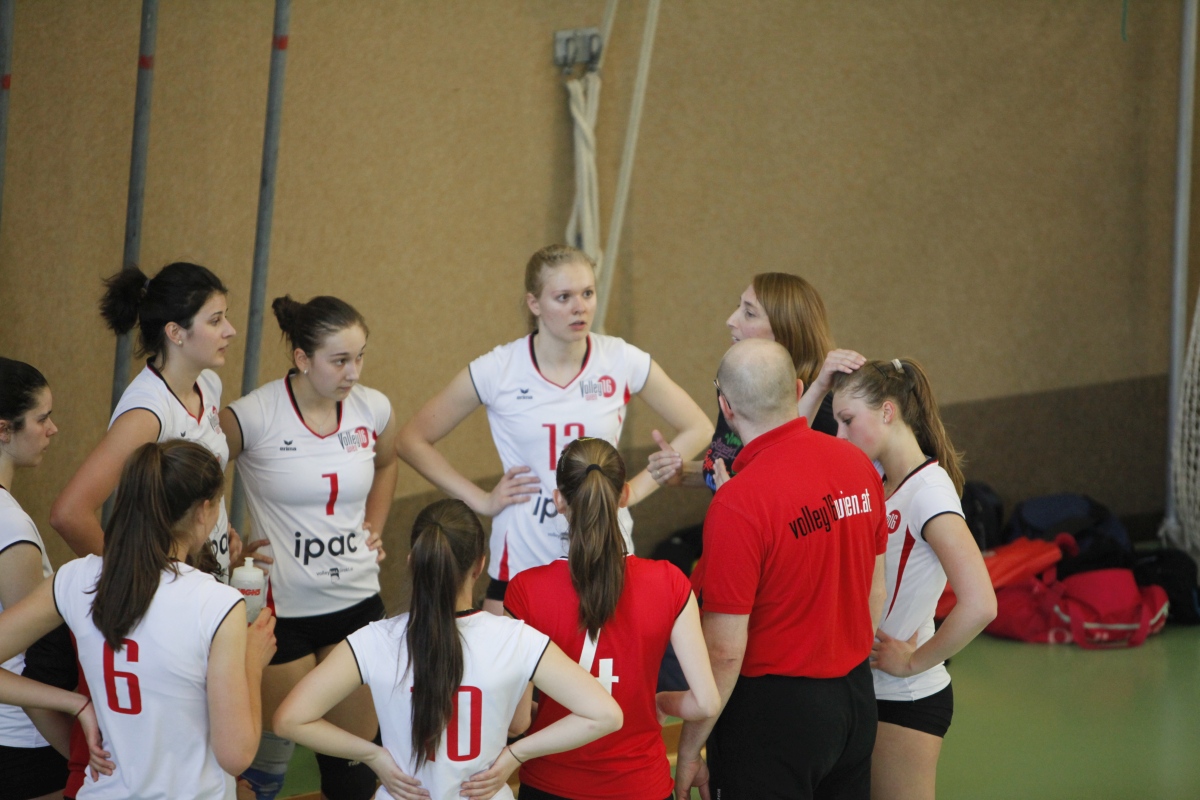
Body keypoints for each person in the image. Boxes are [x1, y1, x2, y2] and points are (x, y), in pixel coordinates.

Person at [396, 244, 713, 615]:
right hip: (522, 558)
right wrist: (481, 500)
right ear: (534, 303)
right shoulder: (498, 369)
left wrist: (634, 490)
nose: (580, 307)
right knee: (517, 653)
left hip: (603, 551)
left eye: (587, 293)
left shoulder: (621, 359)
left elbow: (698, 427)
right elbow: (412, 440)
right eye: (564, 297)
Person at [273, 498, 623, 800]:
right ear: (479, 565)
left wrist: (373, 755)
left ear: (412, 562)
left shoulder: (375, 640)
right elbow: (606, 714)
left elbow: (289, 720)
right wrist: (515, 755)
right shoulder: (516, 639)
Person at [0, 440, 276, 799]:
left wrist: (74, 703)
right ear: (204, 511)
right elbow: (235, 755)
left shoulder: (75, 578)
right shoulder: (217, 603)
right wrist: (251, 664)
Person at [675, 339, 888, 800]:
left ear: (726, 407)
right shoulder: (857, 464)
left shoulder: (738, 503)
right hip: (855, 699)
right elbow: (876, 587)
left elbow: (724, 652)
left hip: (773, 715)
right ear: (797, 389)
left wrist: (690, 748)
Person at [222, 295, 398, 800]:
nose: (353, 372)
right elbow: (195, 477)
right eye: (339, 360)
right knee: (266, 762)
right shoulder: (254, 415)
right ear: (302, 358)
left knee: (353, 764)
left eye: (359, 357)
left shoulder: (373, 408)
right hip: (284, 615)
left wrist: (375, 524)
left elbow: (388, 462)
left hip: (357, 604)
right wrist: (224, 544)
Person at [504, 437, 719, 800]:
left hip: (552, 785)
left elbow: (518, 722)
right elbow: (707, 702)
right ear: (623, 496)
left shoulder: (525, 591)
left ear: (559, 501)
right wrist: (661, 702)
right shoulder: (668, 581)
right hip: (642, 787)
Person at [831, 359, 997, 800]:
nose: (839, 436)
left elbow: (981, 603)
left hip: (904, 695)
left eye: (847, 420)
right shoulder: (878, 481)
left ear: (887, 412)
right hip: (864, 688)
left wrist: (913, 662)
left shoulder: (929, 491)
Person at [51, 262, 240, 574]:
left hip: (209, 580)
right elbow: (68, 513)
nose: (230, 330)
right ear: (175, 333)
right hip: (171, 590)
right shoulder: (146, 413)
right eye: (215, 320)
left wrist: (218, 529)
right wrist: (134, 579)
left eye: (225, 316)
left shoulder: (209, 384)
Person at [648, 272, 865, 493]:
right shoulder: (739, 381)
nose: (731, 320)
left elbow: (788, 471)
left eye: (749, 313)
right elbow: (736, 468)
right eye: (739, 307)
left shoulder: (821, 405)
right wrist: (683, 474)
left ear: (784, 332)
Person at [0, 358, 67, 799]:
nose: (53, 429)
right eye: (42, 419)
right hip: (22, 739)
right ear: (4, 430)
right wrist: (72, 750)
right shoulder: (10, 526)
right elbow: (30, 657)